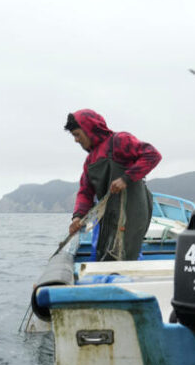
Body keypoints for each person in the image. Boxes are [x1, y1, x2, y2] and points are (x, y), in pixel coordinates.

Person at [65, 109, 162, 261]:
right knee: (106, 251)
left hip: (131, 211)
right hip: (108, 215)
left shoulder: (120, 141)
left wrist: (126, 178)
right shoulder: (90, 161)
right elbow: (85, 192)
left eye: (77, 134)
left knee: (127, 252)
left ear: (89, 129)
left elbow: (152, 155)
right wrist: (77, 217)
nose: (76, 140)